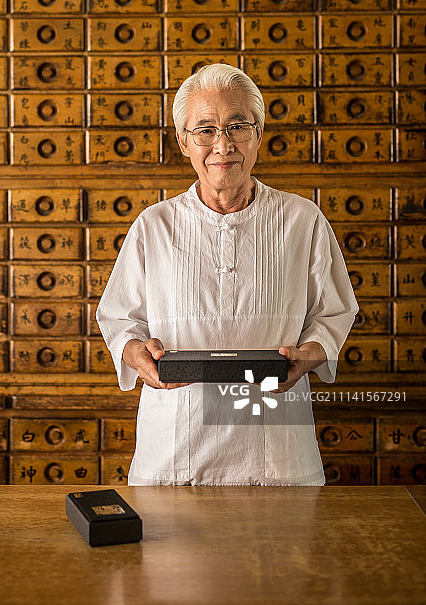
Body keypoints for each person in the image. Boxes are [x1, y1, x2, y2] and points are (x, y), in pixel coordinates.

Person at [96, 63, 358, 486]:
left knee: (280, 550)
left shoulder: (301, 220)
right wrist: (135, 353)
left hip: (277, 447)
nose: (223, 144)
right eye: (205, 130)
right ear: (183, 141)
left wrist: (306, 358)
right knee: (172, 551)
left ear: (258, 135)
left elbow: (335, 312)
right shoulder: (153, 225)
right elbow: (118, 319)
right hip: (175, 446)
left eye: (238, 126)